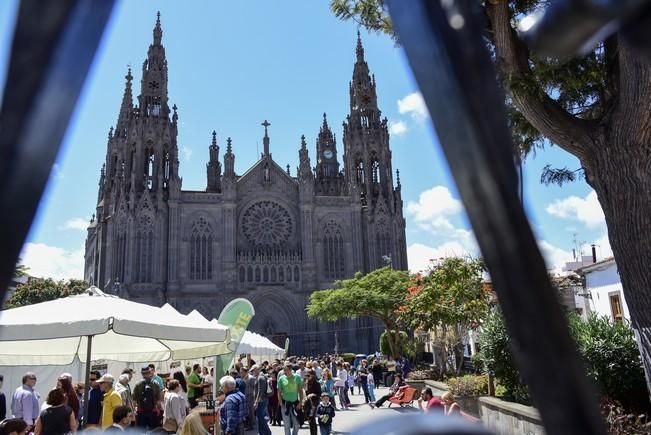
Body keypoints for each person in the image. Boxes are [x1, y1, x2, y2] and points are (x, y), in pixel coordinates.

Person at [277, 363, 304, 435]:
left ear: (290, 370)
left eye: (286, 370)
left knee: (296, 424)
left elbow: (300, 391)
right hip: (285, 404)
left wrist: (300, 402)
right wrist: (280, 403)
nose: (284, 372)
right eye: (284, 370)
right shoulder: (281, 378)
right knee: (286, 425)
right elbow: (279, 392)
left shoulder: (297, 377)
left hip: (295, 403)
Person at [132, 365, 162, 430]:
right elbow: (158, 400)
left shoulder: (138, 384)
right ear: (150, 372)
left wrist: (133, 411)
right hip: (153, 411)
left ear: (142, 374)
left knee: (141, 431)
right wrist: (158, 410)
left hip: (141, 411)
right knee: (153, 431)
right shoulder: (156, 383)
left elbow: (134, 400)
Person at [251, 365, 271, 435]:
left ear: (257, 370)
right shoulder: (260, 377)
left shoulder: (260, 378)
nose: (252, 372)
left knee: (260, 417)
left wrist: (256, 402)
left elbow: (260, 391)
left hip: (262, 400)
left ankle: (267, 432)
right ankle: (262, 432)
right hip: (262, 400)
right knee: (260, 417)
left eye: (253, 371)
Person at [304, 370, 322, 435]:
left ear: (313, 375)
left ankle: (314, 433)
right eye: (306, 376)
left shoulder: (317, 383)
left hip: (314, 402)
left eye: (309, 375)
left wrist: (313, 394)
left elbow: (319, 394)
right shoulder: (306, 382)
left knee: (312, 418)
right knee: (310, 419)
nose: (307, 377)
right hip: (308, 402)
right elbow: (305, 392)